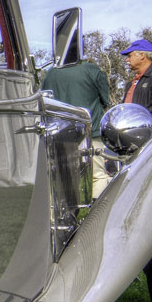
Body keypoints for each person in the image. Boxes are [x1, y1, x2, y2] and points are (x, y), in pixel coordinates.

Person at [41, 57, 113, 197]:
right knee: (97, 175)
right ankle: (95, 212)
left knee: (65, 177)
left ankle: (68, 213)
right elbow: (105, 99)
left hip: (60, 132)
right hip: (90, 130)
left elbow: (44, 100)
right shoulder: (92, 70)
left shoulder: (51, 73)